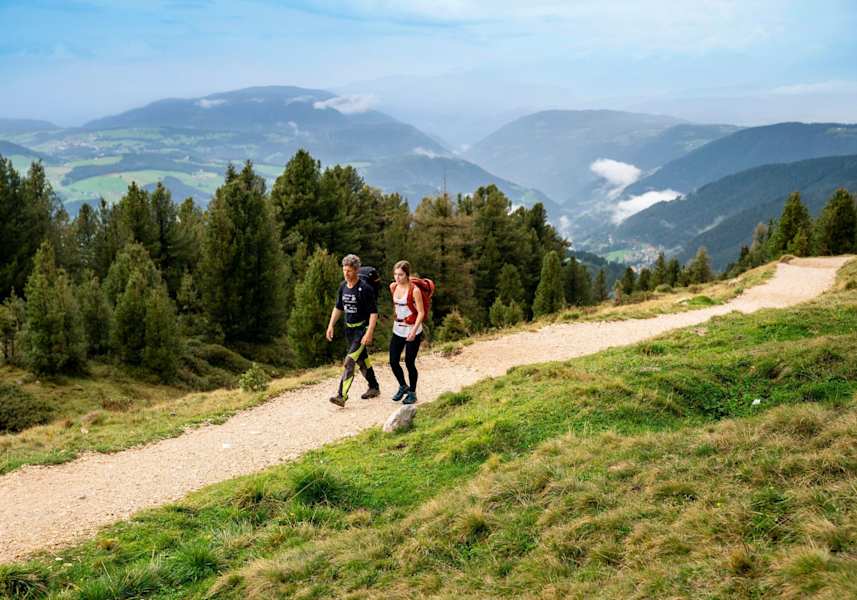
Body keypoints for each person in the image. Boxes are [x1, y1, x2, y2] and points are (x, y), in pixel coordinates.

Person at [326, 254, 380, 407]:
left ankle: (341, 395)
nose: (346, 274)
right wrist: (331, 325)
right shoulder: (343, 286)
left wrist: (369, 332)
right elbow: (338, 307)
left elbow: (373, 313)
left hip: (361, 330)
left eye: (349, 271)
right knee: (362, 360)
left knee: (349, 361)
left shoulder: (365, 289)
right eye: (344, 270)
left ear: (356, 270)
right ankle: (374, 387)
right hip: (348, 330)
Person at [388, 260, 424, 404]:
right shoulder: (393, 287)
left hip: (412, 330)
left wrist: (414, 331)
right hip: (398, 329)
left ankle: (412, 392)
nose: (397, 277)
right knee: (393, 361)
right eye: (395, 274)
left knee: (409, 362)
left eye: (401, 274)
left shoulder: (414, 290)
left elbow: (421, 313)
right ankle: (403, 385)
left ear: (407, 274)